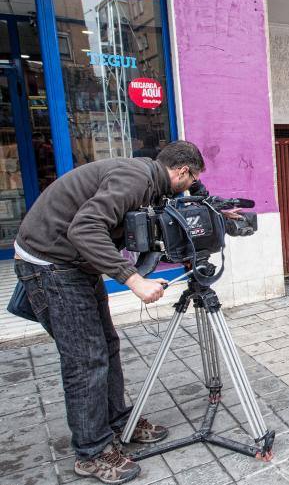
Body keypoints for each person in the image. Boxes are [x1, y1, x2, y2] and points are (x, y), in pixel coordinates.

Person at [14, 141, 206, 484]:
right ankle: (91, 452)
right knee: (86, 359)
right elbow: (85, 228)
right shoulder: (135, 180)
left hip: (75, 264)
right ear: (181, 171)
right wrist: (133, 280)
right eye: (192, 179)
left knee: (106, 345)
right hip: (51, 265)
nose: (192, 185)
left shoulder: (150, 182)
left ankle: (118, 422)